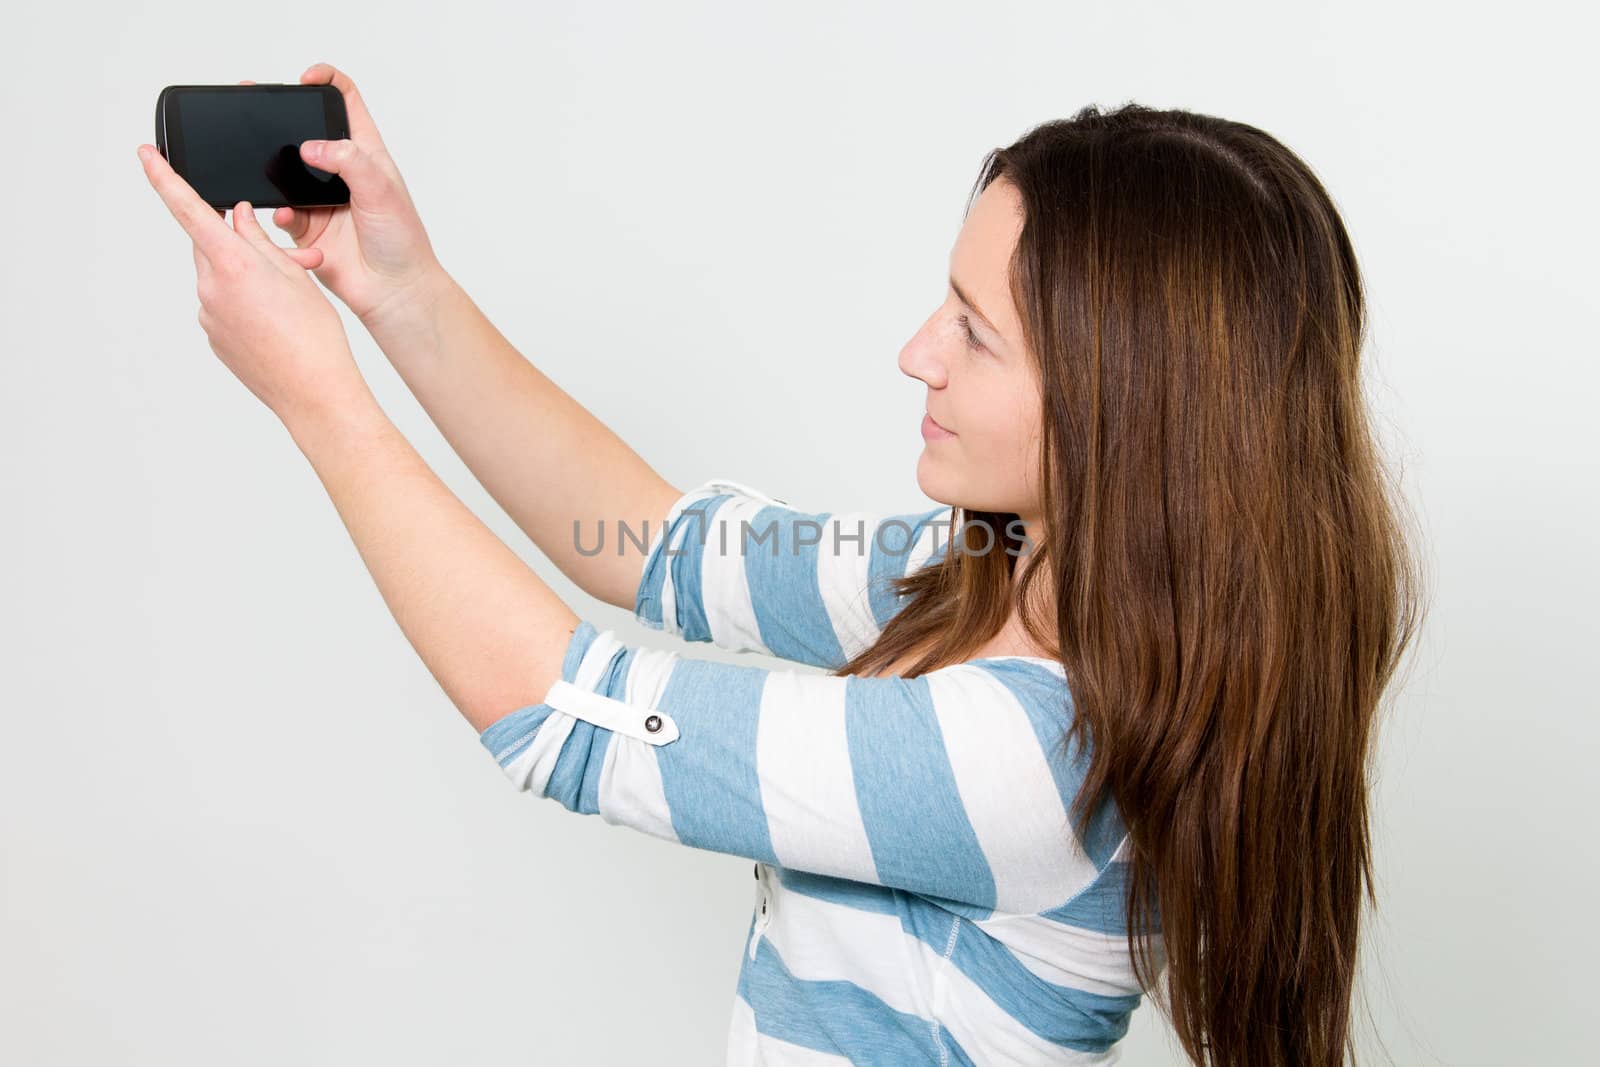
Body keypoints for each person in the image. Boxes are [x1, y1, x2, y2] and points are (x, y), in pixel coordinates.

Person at [137, 62, 1424, 1067]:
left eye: (974, 334)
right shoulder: (981, 571)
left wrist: (319, 399)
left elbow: (557, 711)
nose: (916, 351)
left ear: (1122, 409)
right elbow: (653, 541)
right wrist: (398, 289)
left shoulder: (1021, 762)